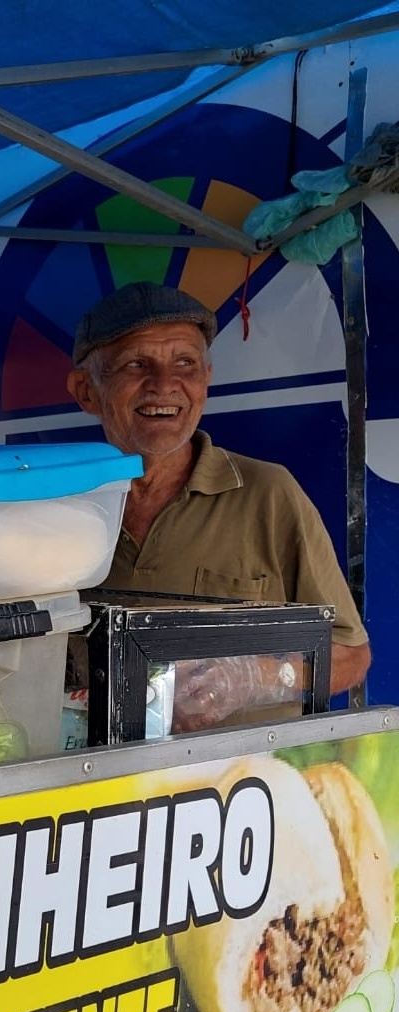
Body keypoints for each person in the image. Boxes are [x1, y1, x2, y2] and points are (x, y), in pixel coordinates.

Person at [65, 281, 370, 724]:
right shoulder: (59, 505)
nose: (164, 385)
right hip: (90, 777)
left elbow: (351, 655)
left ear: (206, 379)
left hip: (237, 785)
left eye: (185, 363)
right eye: (136, 364)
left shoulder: (268, 494)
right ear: (86, 391)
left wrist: (256, 677)